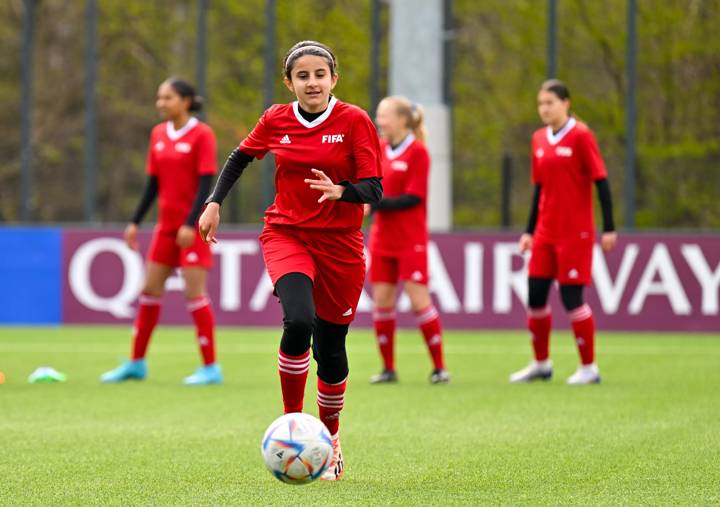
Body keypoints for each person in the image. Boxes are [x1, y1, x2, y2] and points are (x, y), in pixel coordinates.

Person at [199, 41, 383, 481]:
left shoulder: (355, 121)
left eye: (320, 74)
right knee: (298, 321)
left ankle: (331, 437)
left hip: (340, 245)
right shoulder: (276, 119)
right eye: (303, 76)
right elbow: (240, 156)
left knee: (332, 352)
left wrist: (343, 191)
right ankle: (291, 428)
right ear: (290, 82)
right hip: (287, 233)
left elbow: (375, 188)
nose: (312, 82)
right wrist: (214, 202)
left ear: (333, 79)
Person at [100, 78, 222, 385]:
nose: (160, 103)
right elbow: (153, 184)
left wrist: (189, 223)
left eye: (167, 98)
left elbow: (206, 183)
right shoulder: (157, 134)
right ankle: (136, 363)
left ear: (185, 101)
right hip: (165, 229)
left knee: (194, 294)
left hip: (192, 228)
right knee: (149, 292)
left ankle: (211, 368)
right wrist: (135, 221)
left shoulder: (202, 134)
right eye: (159, 98)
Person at [510, 79, 617, 385]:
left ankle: (589, 367)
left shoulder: (582, 136)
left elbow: (602, 181)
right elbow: (539, 188)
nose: (544, 109)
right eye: (540, 104)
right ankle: (541, 364)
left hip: (575, 232)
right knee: (535, 296)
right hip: (545, 232)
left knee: (571, 297)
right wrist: (529, 230)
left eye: (550, 103)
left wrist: (609, 227)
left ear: (566, 103)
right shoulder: (538, 139)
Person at [366, 96, 450, 385]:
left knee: (419, 302)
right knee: (382, 302)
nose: (379, 121)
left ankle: (440, 368)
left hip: (410, 240)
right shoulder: (378, 148)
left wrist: (374, 203)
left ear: (402, 119)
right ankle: (388, 369)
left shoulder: (418, 153)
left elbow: (414, 197)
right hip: (382, 239)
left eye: (384, 115)